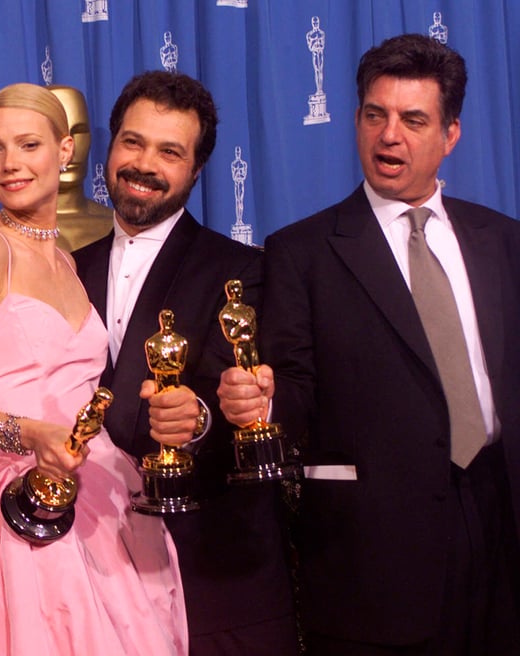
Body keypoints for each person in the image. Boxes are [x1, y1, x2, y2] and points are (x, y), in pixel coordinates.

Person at [218, 34, 520, 654]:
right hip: (375, 548)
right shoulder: (301, 251)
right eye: (375, 115)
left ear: (451, 134)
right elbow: (293, 389)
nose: (390, 136)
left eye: (414, 120)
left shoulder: (504, 240)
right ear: (355, 120)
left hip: (501, 523)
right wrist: (262, 405)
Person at [0, 82, 187, 655]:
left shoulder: (69, 261)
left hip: (108, 493)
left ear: (65, 150)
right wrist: (33, 434)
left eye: (27, 145)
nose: (10, 164)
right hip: (28, 497)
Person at [72, 71, 297, 655]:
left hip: (213, 573)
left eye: (169, 151)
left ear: (195, 170)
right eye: (132, 142)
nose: (143, 163)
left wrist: (195, 419)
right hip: (84, 567)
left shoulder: (243, 268)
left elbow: (242, 390)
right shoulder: (64, 270)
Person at [47, 85, 113, 251]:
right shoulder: (4, 235)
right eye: (57, 134)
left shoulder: (118, 226)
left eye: (80, 132)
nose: (71, 148)